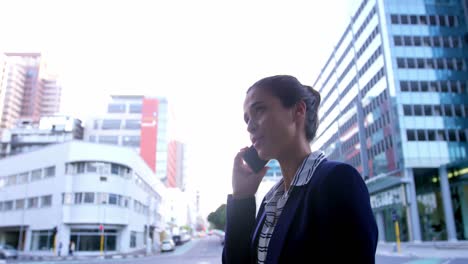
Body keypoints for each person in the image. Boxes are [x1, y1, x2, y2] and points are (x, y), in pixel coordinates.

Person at [222, 75, 378, 263]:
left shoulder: (338, 181)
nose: (250, 127)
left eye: (259, 110)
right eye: (246, 119)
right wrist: (242, 197)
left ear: (298, 110)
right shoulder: (270, 201)